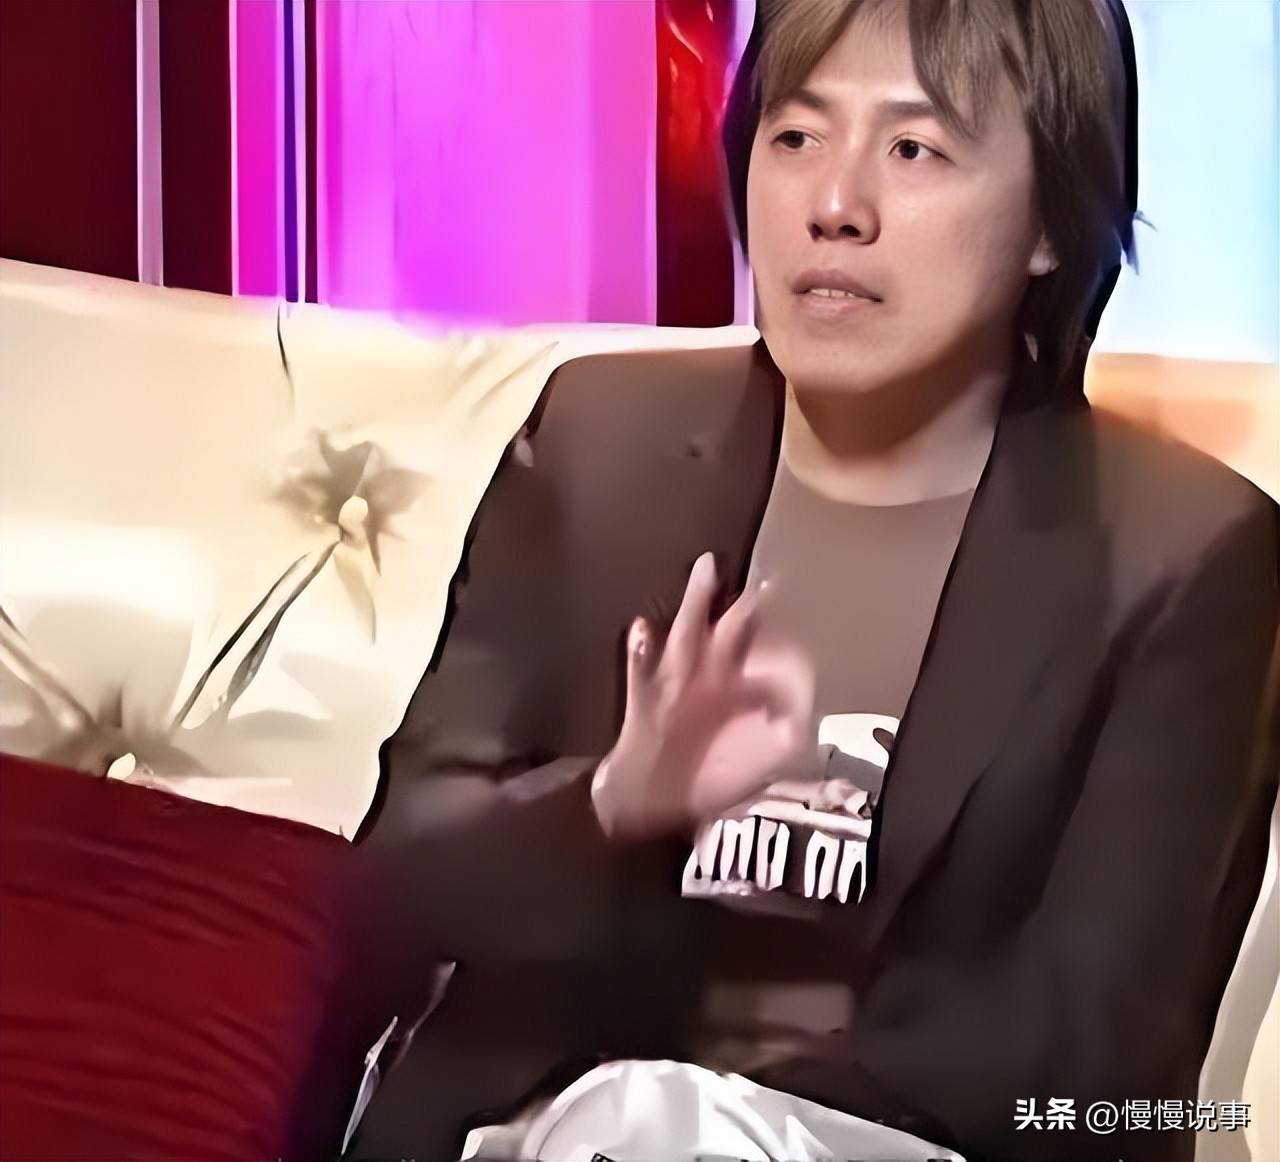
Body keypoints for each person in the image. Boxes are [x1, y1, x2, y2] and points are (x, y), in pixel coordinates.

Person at [350, 1, 1280, 1159]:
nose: (833, 202)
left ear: (1050, 219)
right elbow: (389, 891)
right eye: (794, 136)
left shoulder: (1180, 554)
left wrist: (720, 1110)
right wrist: (611, 805)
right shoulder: (598, 443)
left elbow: (1093, 1052)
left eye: (913, 148)